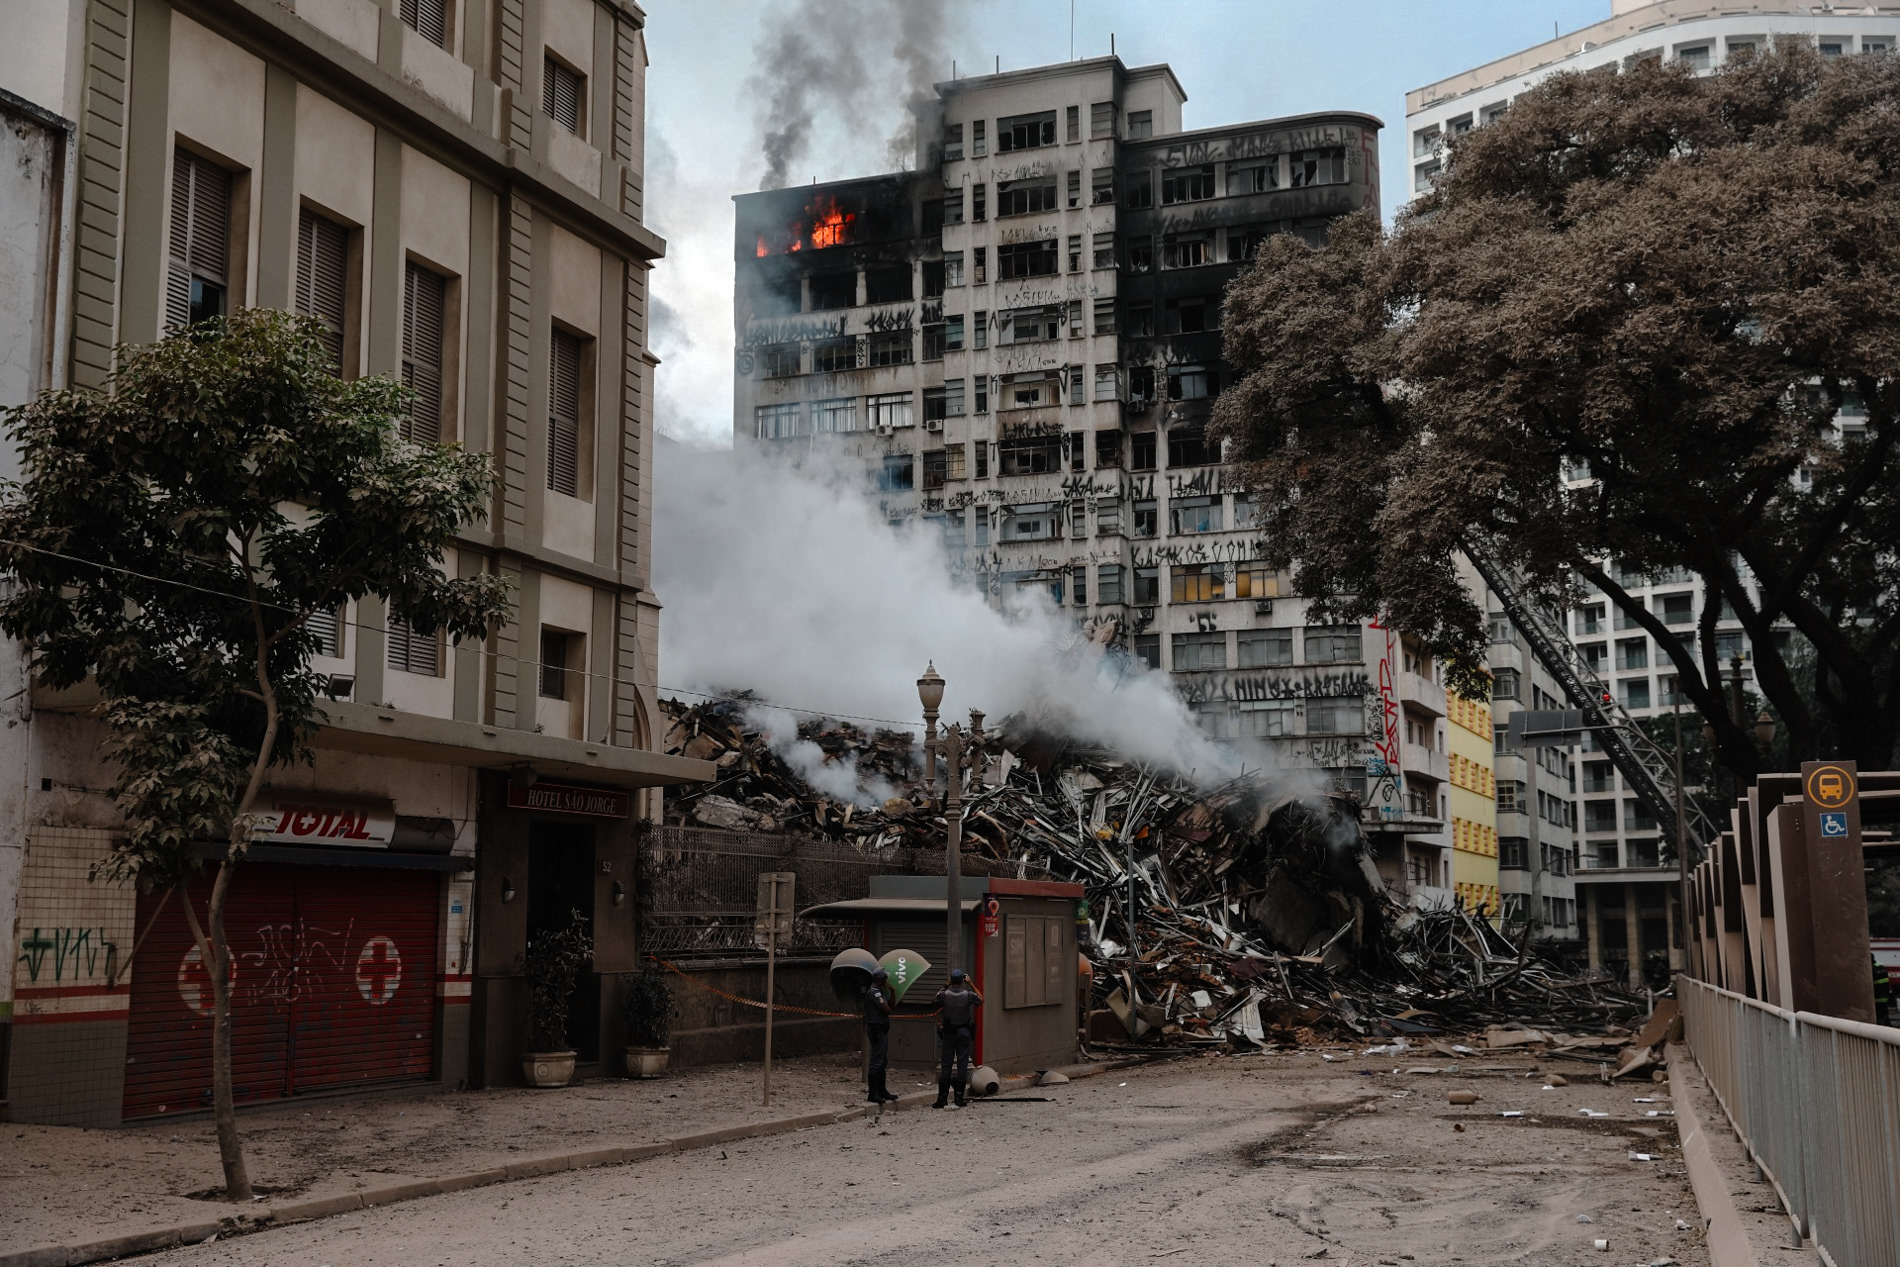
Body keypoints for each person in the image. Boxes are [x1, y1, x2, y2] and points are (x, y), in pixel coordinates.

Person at [932, 967, 980, 1108]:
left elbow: (935, 999)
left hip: (949, 1034)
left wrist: (945, 985)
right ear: (963, 981)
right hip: (964, 1033)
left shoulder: (945, 994)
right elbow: (981, 999)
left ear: (951, 980)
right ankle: (959, 1098)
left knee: (946, 1065)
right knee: (962, 1065)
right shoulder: (968, 994)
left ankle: (942, 1098)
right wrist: (971, 983)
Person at [863, 967, 897, 1104]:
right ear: (881, 979)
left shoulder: (881, 992)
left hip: (882, 1028)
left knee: (882, 1060)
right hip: (876, 1029)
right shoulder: (874, 993)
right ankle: (873, 1093)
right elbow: (887, 1009)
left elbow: (891, 1005)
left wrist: (893, 991)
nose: (887, 980)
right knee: (876, 1061)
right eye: (885, 978)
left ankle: (882, 1090)